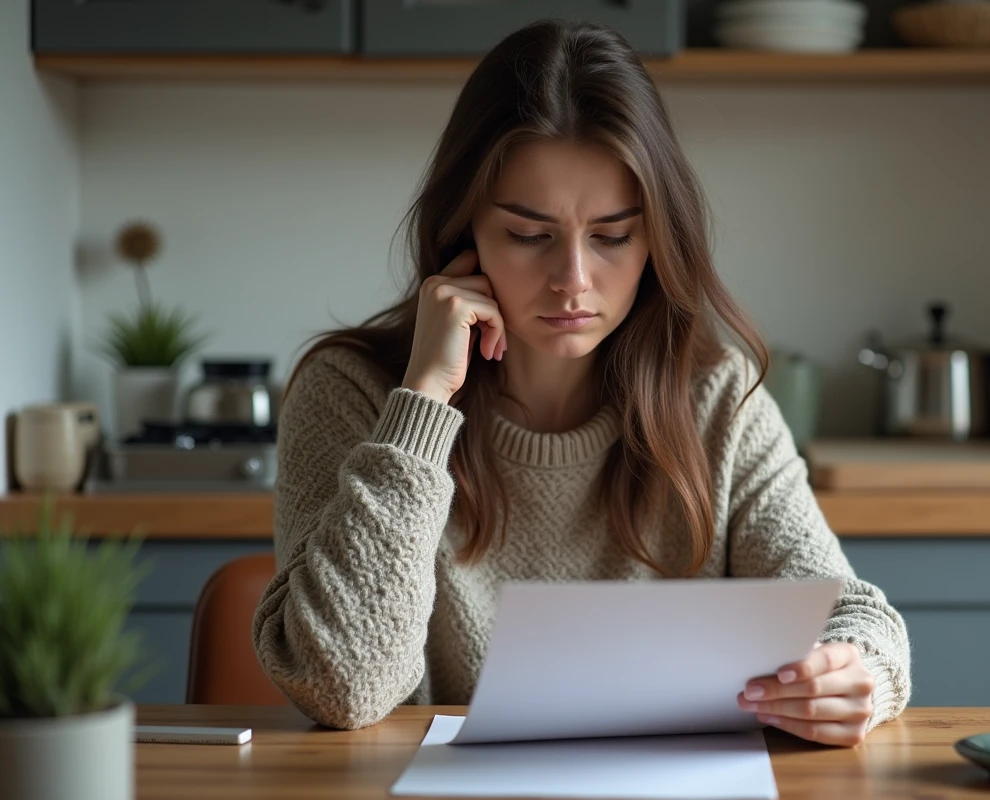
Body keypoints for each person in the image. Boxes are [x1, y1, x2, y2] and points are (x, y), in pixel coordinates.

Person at [252, 18, 911, 747]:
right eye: (530, 235)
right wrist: (423, 405)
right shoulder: (352, 392)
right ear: (463, 233)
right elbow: (343, 686)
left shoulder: (715, 399)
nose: (572, 281)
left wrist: (860, 675)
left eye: (613, 236)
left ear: (657, 238)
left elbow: (855, 616)